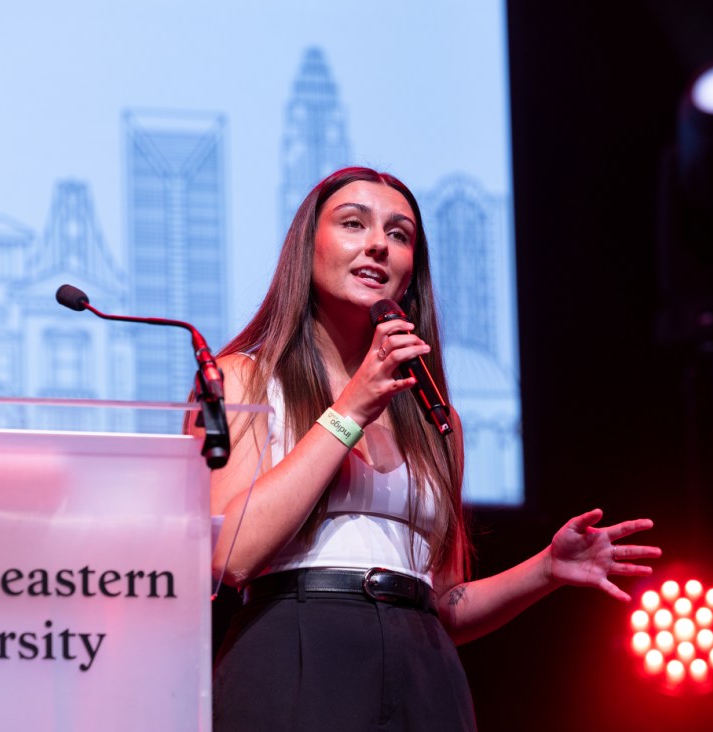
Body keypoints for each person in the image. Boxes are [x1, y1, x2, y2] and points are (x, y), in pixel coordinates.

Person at [198, 167, 660, 730]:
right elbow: (232, 553)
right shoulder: (242, 378)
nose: (378, 245)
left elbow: (442, 602)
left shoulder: (434, 418)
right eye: (353, 223)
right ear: (306, 249)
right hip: (296, 647)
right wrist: (348, 412)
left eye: (399, 235)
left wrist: (546, 569)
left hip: (422, 664)